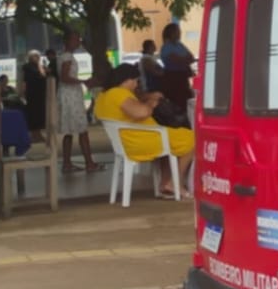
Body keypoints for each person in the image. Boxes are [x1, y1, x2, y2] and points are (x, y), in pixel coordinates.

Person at [94, 63, 194, 198]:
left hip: (128, 142)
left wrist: (147, 97)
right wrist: (150, 104)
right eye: (135, 81)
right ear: (127, 80)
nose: (136, 85)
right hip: (141, 141)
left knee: (172, 141)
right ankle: (176, 183)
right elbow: (141, 112)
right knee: (193, 138)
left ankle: (165, 184)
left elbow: (131, 103)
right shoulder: (118, 94)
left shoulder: (104, 96)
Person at [55, 31, 100, 173]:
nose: (78, 42)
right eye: (74, 39)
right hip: (71, 97)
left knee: (69, 132)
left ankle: (67, 163)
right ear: (67, 41)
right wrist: (83, 81)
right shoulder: (67, 57)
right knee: (82, 130)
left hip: (67, 95)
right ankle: (89, 163)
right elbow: (64, 77)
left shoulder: (63, 56)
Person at [21, 50, 47, 132]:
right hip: (32, 92)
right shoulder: (27, 67)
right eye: (35, 56)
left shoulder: (39, 66)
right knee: (33, 111)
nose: (37, 58)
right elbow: (25, 80)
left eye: (38, 56)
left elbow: (43, 76)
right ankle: (34, 130)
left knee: (40, 111)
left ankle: (39, 129)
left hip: (40, 92)